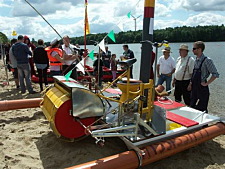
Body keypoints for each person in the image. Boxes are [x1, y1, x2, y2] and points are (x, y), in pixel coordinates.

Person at [189, 41, 219, 112]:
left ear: (199, 49)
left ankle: (204, 123)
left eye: (194, 48)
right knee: (192, 107)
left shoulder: (207, 60)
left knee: (202, 109)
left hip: (202, 88)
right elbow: (194, 73)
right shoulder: (196, 60)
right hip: (194, 88)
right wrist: (190, 83)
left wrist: (206, 83)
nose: (192, 50)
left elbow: (215, 74)